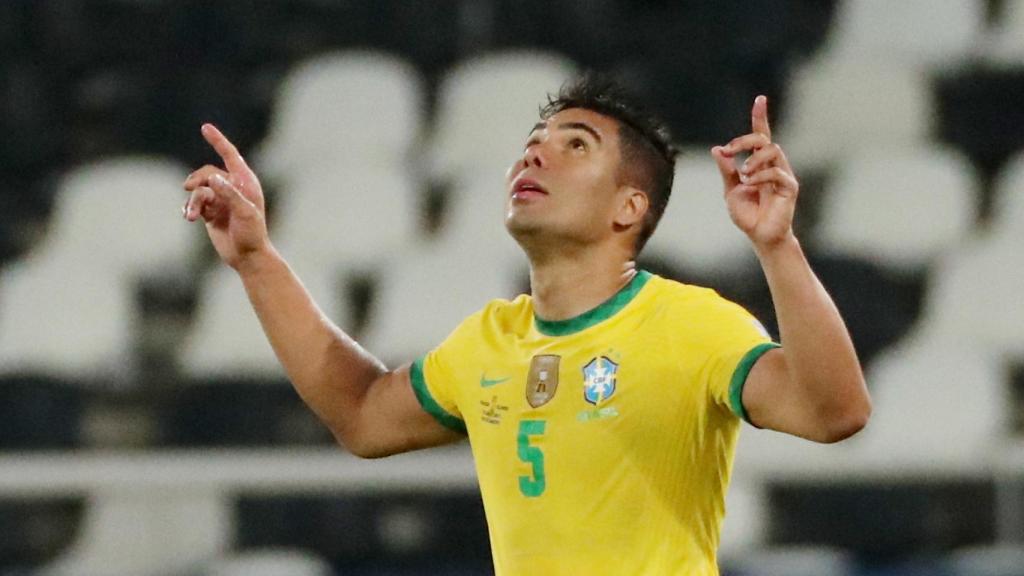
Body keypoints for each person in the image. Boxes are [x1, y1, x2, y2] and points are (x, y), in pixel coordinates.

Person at [182, 75, 871, 575]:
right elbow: (362, 415)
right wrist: (255, 259)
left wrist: (777, 246)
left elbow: (834, 411)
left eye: (576, 145)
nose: (533, 156)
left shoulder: (690, 323)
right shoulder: (489, 339)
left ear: (629, 207)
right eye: (533, 142)